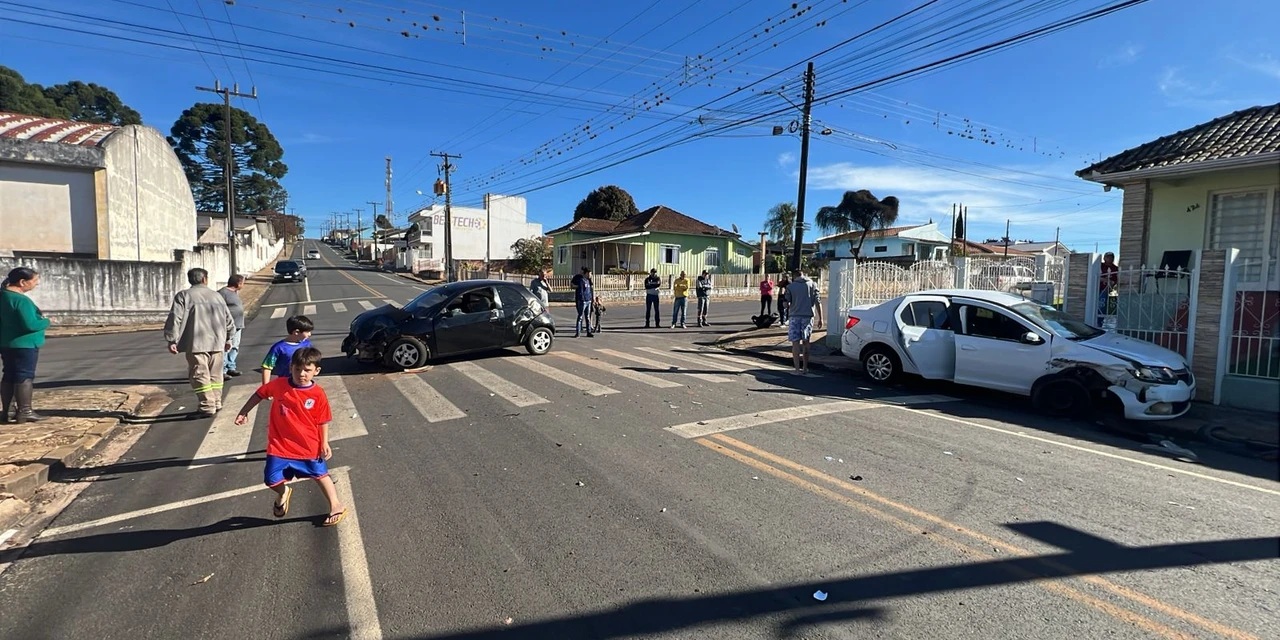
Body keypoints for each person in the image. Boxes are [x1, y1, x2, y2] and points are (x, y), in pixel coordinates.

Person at [233, 346, 345, 527]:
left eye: (307, 370)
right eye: (297, 369)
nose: (301, 374)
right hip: (279, 445)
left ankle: (336, 506)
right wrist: (244, 412)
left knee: (321, 475)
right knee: (271, 479)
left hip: (308, 445)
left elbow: (323, 420)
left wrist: (324, 442)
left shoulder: (318, 394)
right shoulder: (279, 385)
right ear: (291, 367)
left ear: (316, 371)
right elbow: (260, 394)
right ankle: (283, 492)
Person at [164, 268, 236, 418]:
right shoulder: (216, 296)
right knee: (216, 375)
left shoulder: (184, 296)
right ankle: (216, 402)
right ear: (205, 279)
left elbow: (175, 318)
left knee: (199, 375)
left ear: (191, 280)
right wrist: (229, 338)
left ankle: (206, 405)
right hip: (217, 342)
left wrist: (172, 339)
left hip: (195, 343)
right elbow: (228, 320)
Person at [1, 267, 50, 424]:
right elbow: (30, 324)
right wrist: (46, 321)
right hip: (25, 343)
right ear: (22, 282)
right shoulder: (20, 300)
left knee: (9, 375)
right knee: (24, 376)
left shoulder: (3, 296)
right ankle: (25, 411)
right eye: (34, 281)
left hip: (6, 342)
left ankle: (8, 410)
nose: (36, 284)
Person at [785, 269, 824, 375]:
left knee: (795, 343)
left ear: (794, 276)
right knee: (806, 342)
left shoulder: (790, 287)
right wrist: (821, 318)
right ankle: (805, 368)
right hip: (808, 317)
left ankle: (797, 369)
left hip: (794, 316)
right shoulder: (813, 284)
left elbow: (786, 303)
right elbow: (818, 301)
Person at [262, 315, 315, 386]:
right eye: (307, 332)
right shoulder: (278, 348)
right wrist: (266, 388)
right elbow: (267, 367)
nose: (310, 334)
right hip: (285, 385)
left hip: (304, 384)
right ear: (296, 332)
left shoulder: (307, 344)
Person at [219, 274, 246, 378]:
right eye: (242, 283)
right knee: (227, 347)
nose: (243, 285)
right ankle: (223, 370)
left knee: (235, 346)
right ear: (238, 283)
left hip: (238, 324)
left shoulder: (234, 293)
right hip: (228, 326)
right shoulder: (223, 293)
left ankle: (231, 367)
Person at [570, 267, 595, 338]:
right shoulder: (581, 280)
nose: (590, 275)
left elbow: (590, 290)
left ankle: (588, 332)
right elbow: (580, 291)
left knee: (587, 317)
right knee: (580, 317)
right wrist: (582, 299)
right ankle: (578, 332)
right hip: (582, 301)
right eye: (589, 273)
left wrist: (590, 299)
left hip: (588, 301)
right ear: (586, 273)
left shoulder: (588, 281)